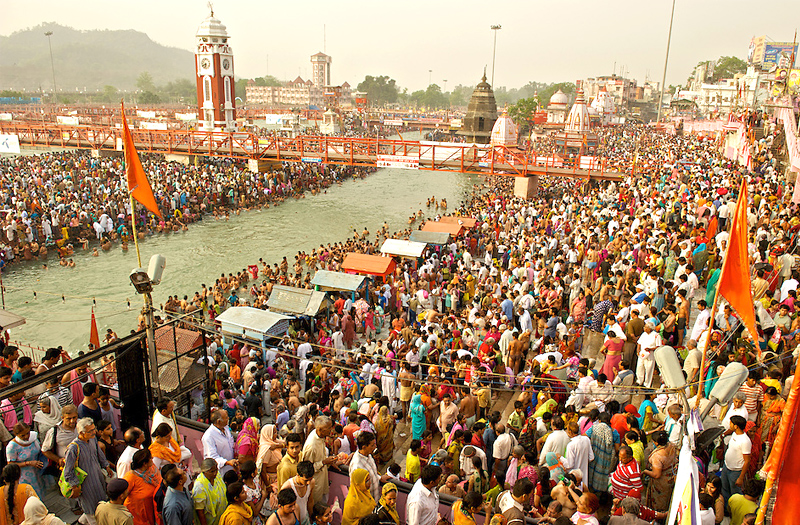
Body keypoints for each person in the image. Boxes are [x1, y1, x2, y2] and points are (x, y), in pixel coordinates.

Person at [64, 418, 115, 525]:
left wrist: (106, 466)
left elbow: (99, 454)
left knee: (100, 504)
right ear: (82, 433)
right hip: (86, 485)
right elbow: (68, 472)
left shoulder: (92, 439)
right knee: (91, 511)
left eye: (93, 429)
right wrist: (75, 486)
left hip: (97, 478)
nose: (93, 432)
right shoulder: (73, 448)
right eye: (90, 431)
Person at [301, 416, 339, 504]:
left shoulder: (320, 436)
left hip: (322, 479)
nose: (331, 430)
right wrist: (324, 462)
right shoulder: (311, 445)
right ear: (320, 429)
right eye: (329, 428)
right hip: (315, 482)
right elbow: (306, 469)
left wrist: (328, 462)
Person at [122, 449, 161, 525]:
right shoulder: (130, 477)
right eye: (150, 458)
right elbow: (122, 496)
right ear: (144, 463)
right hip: (139, 516)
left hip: (152, 511)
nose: (152, 459)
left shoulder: (152, 469)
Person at [6, 423, 44, 498]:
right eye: (22, 435)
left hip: (37, 473)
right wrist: (29, 463)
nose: (26, 437)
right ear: (16, 435)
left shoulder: (33, 438)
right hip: (24, 477)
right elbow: (11, 464)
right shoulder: (12, 447)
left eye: (28, 433)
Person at [642, 431, 677, 512]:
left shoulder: (657, 456)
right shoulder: (671, 446)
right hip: (669, 476)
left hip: (661, 482)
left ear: (656, 443)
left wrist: (645, 472)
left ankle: (658, 516)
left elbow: (656, 474)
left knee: (659, 502)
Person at [721, 415, 751, 503]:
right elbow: (730, 430)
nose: (729, 425)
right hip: (727, 467)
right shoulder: (735, 433)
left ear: (736, 426)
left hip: (735, 471)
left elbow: (747, 460)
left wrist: (741, 477)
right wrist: (724, 434)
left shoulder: (745, 441)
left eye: (731, 423)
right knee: (724, 489)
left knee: (735, 493)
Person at [192, 459, 228, 525]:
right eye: (211, 471)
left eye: (216, 470)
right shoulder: (199, 487)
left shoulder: (217, 476)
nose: (215, 473)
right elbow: (200, 512)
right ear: (204, 472)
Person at [202, 411, 237, 476]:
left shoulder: (226, 429)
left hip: (231, 469)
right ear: (219, 421)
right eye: (226, 418)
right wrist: (227, 462)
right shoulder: (209, 436)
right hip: (220, 472)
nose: (228, 419)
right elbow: (212, 457)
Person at [349, 432, 380, 502]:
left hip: (374, 499)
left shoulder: (368, 456)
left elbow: (373, 473)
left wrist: (379, 478)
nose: (375, 447)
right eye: (372, 445)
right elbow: (359, 491)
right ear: (364, 447)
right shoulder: (357, 466)